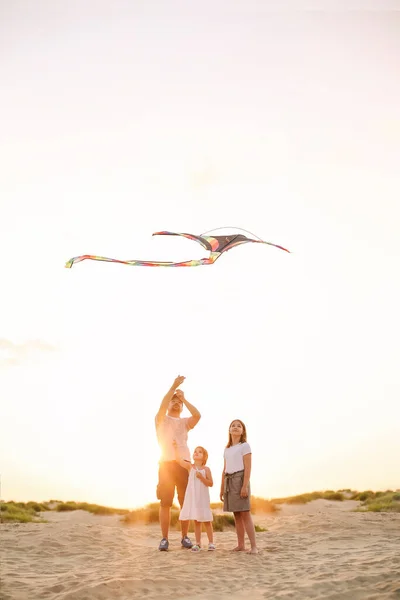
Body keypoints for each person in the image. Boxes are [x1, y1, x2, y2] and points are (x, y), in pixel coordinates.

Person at [155, 375, 201, 551]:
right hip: (166, 465)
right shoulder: (161, 419)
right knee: (165, 503)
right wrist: (173, 387)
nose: (175, 403)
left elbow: (197, 415)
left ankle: (184, 537)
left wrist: (184, 399)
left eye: (178, 402)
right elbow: (162, 405)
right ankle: (165, 539)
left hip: (184, 466)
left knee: (184, 502)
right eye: (173, 401)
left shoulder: (185, 422)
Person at [220, 419, 258, 554]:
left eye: (238, 426)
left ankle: (254, 547)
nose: (235, 427)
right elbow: (224, 469)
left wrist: (244, 486)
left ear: (243, 431)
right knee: (236, 514)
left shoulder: (245, 446)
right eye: (233, 426)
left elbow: (248, 467)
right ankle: (241, 545)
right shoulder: (227, 449)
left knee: (245, 513)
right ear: (229, 430)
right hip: (229, 480)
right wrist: (222, 488)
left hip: (240, 479)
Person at [174, 442, 215, 552]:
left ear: (204, 456)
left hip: (203, 499)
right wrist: (176, 447)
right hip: (194, 499)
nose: (196, 453)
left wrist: (201, 477)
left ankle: (211, 543)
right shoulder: (190, 467)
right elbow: (179, 460)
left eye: (200, 452)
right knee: (197, 521)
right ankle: (198, 543)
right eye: (195, 451)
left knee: (206, 521)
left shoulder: (206, 469)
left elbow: (211, 483)